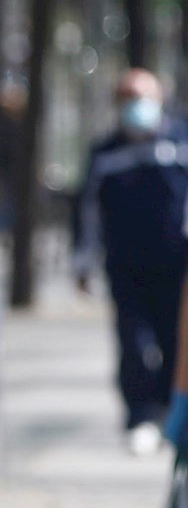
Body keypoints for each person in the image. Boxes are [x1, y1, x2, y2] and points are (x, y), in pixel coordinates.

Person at [77, 68, 188, 455]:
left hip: (178, 267)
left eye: (142, 95)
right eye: (127, 96)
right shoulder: (105, 153)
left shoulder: (182, 141)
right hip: (127, 269)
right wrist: (82, 263)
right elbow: (87, 212)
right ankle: (141, 416)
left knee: (179, 343)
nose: (135, 104)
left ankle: (172, 416)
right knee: (134, 344)